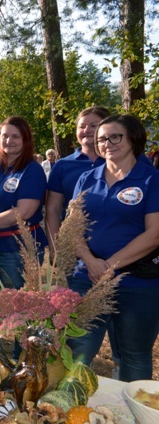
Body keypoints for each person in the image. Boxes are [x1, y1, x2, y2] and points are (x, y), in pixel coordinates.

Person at [67, 114, 159, 382]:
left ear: (133, 138)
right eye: (101, 139)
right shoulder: (87, 178)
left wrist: (110, 266)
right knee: (78, 348)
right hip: (88, 277)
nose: (107, 143)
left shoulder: (151, 179)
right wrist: (92, 263)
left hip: (138, 283)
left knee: (134, 354)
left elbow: (154, 234)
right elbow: (72, 228)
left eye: (115, 136)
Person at [0, 117, 48, 289]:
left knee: (17, 311)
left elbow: (24, 212)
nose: (9, 141)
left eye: (15, 136)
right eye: (5, 136)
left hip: (18, 251)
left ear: (26, 139)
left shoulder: (32, 170)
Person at [46, 107, 110, 253]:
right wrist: (56, 248)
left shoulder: (120, 162)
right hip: (74, 247)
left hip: (116, 245)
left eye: (94, 125)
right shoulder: (62, 166)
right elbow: (53, 209)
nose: (87, 130)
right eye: (82, 126)